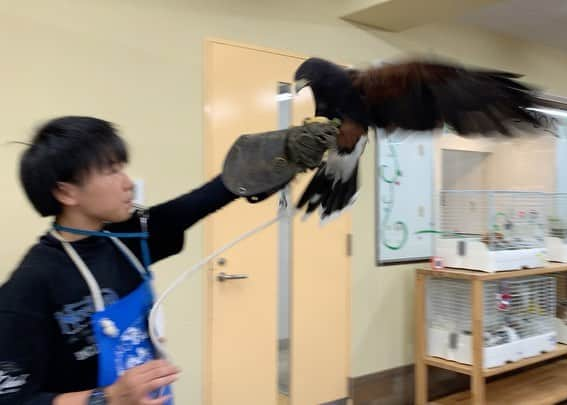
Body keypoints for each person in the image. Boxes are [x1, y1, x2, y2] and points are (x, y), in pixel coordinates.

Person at [0, 116, 336, 405]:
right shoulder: (30, 285)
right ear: (66, 192)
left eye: (124, 168)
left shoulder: (125, 239)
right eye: (112, 170)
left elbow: (199, 202)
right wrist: (110, 397)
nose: (128, 183)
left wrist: (281, 157)